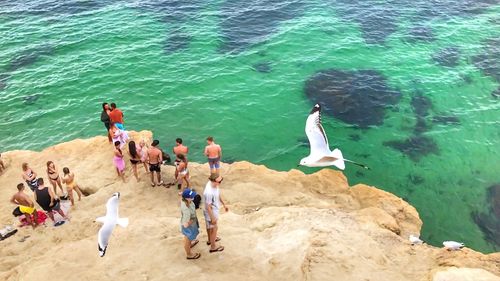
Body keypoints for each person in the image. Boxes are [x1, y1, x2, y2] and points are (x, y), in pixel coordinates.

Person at [203, 173, 228, 253]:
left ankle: (210, 240)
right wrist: (212, 217)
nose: (220, 182)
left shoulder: (214, 185)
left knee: (210, 227)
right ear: (213, 181)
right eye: (219, 181)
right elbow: (208, 207)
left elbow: (217, 194)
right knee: (214, 228)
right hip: (211, 212)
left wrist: (224, 204)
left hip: (213, 210)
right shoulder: (209, 192)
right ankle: (213, 247)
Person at [180, 188, 201, 260]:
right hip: (189, 226)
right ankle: (189, 254)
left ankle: (190, 243)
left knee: (191, 236)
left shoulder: (189, 202)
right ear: (186, 198)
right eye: (191, 196)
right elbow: (186, 224)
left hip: (192, 223)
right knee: (187, 238)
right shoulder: (186, 209)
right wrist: (192, 220)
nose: (193, 197)